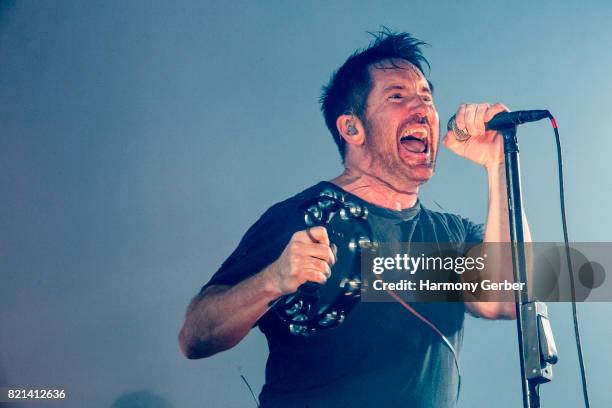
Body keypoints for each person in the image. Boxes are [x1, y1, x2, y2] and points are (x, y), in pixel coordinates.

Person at [178, 29, 528, 408]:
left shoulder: (449, 237)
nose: (422, 109)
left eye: (427, 97)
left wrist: (498, 165)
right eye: (398, 96)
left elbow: (509, 300)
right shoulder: (303, 218)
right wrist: (272, 280)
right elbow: (195, 337)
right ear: (351, 127)